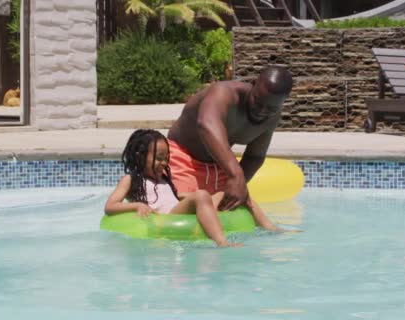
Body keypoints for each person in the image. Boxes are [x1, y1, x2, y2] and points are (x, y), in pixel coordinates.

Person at [104, 130, 283, 247]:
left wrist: (185, 197)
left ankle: (269, 227)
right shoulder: (130, 180)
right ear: (140, 155)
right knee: (201, 195)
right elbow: (110, 206)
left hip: (178, 210)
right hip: (166, 219)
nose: (164, 163)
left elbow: (171, 197)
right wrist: (136, 206)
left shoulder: (163, 179)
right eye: (159, 158)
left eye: (166, 158)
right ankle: (222, 242)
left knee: (233, 193)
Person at [167, 66, 293, 211]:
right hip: (183, 159)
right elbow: (206, 125)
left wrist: (239, 183)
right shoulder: (224, 93)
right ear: (253, 84)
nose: (262, 111)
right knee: (180, 210)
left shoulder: (272, 118)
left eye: (271, 108)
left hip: (220, 167)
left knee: (237, 209)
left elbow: (255, 156)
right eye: (257, 102)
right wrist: (235, 175)